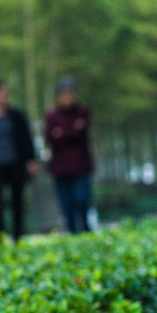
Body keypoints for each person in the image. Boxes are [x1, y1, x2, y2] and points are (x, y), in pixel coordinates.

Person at [0, 80, 38, 243]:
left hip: (15, 163)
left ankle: (18, 236)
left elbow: (26, 138)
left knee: (17, 200)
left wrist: (31, 159)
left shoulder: (16, 115)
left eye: (5, 92)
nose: (4, 96)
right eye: (0, 93)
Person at [44, 77, 94, 234]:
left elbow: (79, 132)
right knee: (66, 203)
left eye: (70, 94)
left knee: (82, 198)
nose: (67, 98)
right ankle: (72, 231)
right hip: (61, 166)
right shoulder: (52, 115)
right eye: (64, 94)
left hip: (80, 164)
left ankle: (85, 227)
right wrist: (71, 130)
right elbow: (50, 137)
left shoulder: (83, 111)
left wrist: (61, 133)